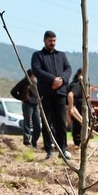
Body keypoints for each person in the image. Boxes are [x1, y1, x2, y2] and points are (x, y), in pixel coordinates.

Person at [31, 31, 71, 161]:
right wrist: (52, 80)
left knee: (61, 123)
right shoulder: (38, 56)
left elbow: (68, 69)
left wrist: (62, 80)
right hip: (46, 94)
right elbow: (37, 70)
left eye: (54, 41)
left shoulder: (61, 55)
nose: (52, 43)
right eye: (50, 41)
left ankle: (63, 149)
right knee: (47, 122)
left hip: (60, 94)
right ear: (44, 40)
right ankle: (48, 150)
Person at [12, 69, 40, 148]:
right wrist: (21, 98)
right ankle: (27, 141)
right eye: (32, 76)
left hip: (35, 105)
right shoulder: (23, 82)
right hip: (27, 104)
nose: (33, 78)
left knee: (37, 124)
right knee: (27, 122)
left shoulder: (35, 83)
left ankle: (34, 141)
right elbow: (13, 91)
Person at [66, 68, 86, 149]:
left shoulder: (76, 84)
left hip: (76, 106)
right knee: (78, 125)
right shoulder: (78, 84)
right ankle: (77, 143)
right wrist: (71, 108)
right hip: (75, 106)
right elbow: (70, 96)